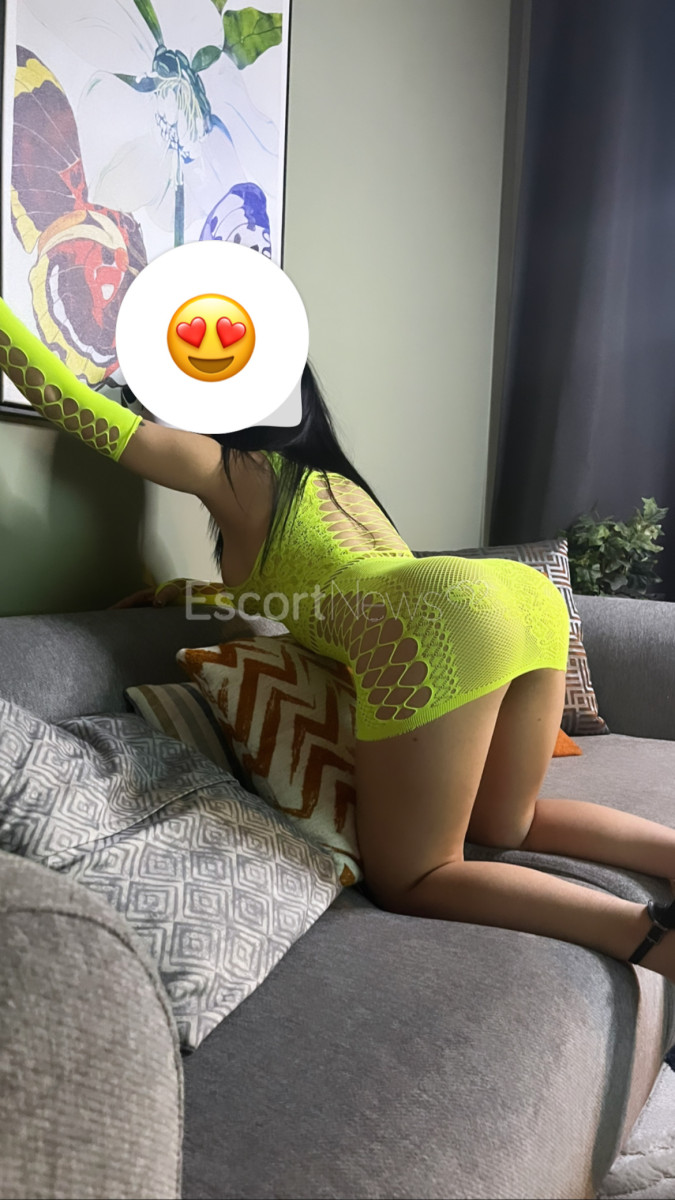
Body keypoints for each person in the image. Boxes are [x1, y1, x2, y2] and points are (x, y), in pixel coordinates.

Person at [2, 292, 675, 981]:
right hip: (524, 600)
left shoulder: (225, 469)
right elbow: (324, 584)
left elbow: (69, 407)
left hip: (433, 616)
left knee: (415, 879)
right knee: (509, 824)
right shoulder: (333, 482)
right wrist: (190, 594)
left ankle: (647, 938)